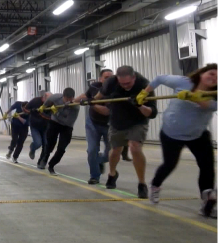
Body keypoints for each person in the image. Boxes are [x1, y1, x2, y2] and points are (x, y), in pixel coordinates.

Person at [140, 65, 218, 218]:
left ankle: (207, 200)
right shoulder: (183, 82)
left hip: (198, 135)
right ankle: (155, 185)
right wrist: (145, 92)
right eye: (212, 73)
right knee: (170, 164)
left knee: (207, 166)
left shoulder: (215, 95)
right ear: (202, 73)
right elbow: (159, 78)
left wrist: (194, 97)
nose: (214, 78)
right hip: (171, 133)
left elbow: (209, 105)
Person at [94, 66, 158, 199]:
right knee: (115, 150)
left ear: (134, 77)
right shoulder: (111, 82)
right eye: (122, 84)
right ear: (117, 79)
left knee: (135, 147)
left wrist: (140, 105)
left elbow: (152, 113)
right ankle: (112, 173)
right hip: (117, 119)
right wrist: (91, 101)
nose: (125, 86)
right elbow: (99, 95)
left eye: (128, 83)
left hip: (137, 121)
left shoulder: (145, 85)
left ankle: (142, 184)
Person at [74, 69, 114, 184]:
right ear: (100, 79)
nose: (109, 79)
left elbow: (106, 111)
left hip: (110, 125)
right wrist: (73, 101)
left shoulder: (116, 90)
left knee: (110, 153)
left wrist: (91, 103)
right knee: (92, 150)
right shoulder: (94, 87)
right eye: (106, 77)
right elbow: (86, 95)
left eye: (111, 77)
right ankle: (94, 176)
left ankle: (99, 161)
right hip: (93, 123)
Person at [38, 88, 80, 175]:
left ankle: (51, 165)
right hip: (55, 123)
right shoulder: (56, 97)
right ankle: (45, 158)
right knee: (50, 144)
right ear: (63, 96)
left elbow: (67, 121)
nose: (68, 101)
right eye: (66, 99)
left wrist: (56, 112)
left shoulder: (75, 106)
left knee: (61, 148)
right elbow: (48, 100)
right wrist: (44, 107)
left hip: (67, 126)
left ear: (73, 98)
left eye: (70, 99)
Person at [23, 91, 52, 166]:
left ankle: (41, 163)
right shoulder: (35, 101)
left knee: (46, 145)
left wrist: (41, 113)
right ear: (43, 98)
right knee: (38, 143)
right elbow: (25, 109)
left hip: (45, 127)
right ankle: (32, 149)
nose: (49, 102)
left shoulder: (51, 104)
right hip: (35, 126)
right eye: (48, 100)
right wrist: (31, 111)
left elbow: (51, 117)